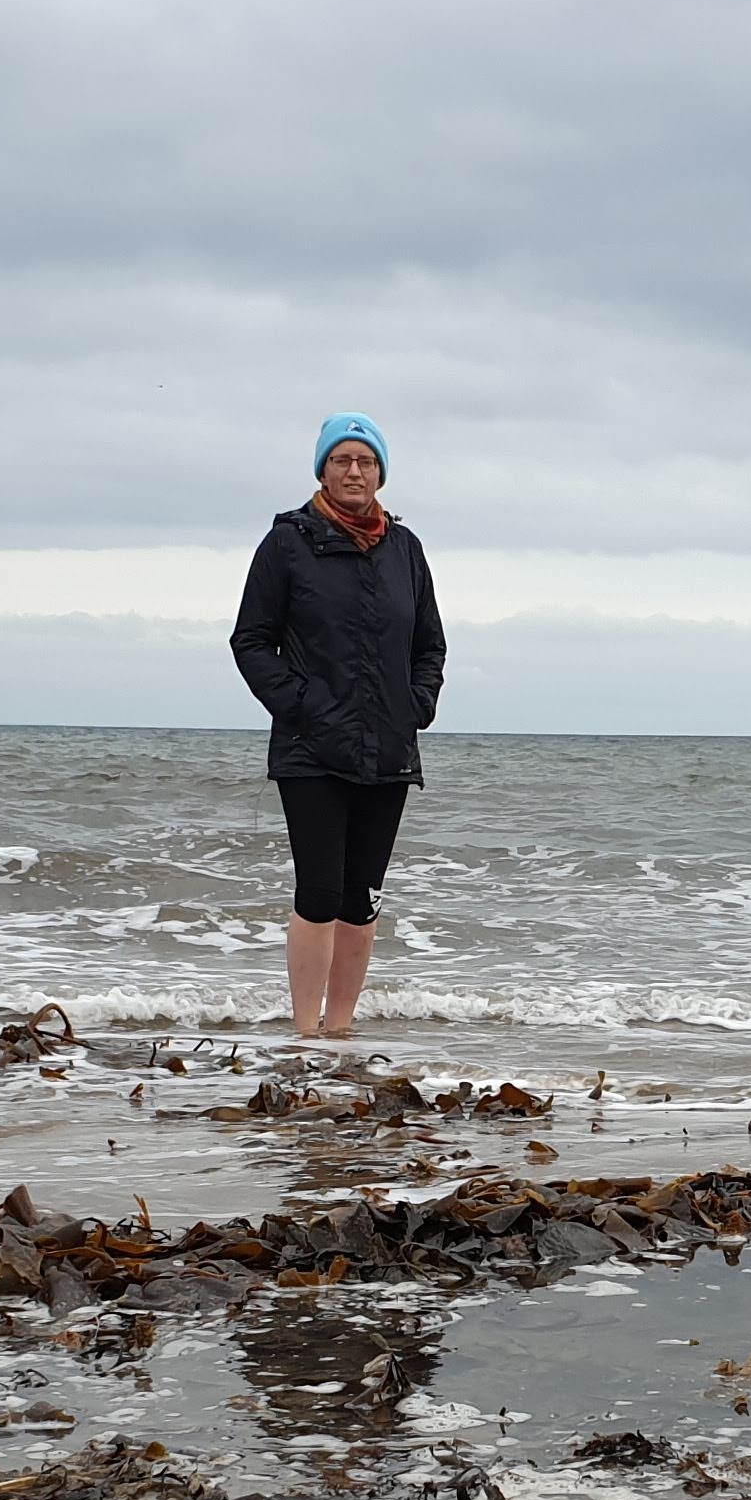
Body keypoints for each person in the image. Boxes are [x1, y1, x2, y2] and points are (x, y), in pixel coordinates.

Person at [229, 413, 446, 1042]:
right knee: (319, 894)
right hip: (310, 748)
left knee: (362, 900)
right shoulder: (287, 544)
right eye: (342, 460)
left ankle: (341, 1033)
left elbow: (430, 645)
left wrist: (417, 705)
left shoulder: (406, 550)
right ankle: (305, 1035)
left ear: (381, 472)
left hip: (388, 749)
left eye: (366, 461)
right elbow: (251, 641)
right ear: (322, 468)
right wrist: (298, 707)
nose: (354, 472)